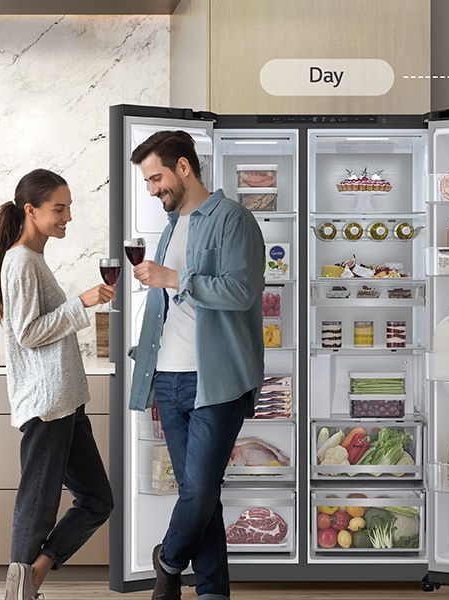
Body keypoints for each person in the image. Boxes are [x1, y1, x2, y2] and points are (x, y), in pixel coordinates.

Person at [127, 131, 265, 600]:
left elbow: (242, 292)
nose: (152, 190)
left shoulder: (234, 219)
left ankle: (167, 560)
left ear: (184, 167)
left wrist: (173, 277)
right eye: (147, 183)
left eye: (157, 178)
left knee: (200, 492)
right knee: (200, 496)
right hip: (168, 378)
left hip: (215, 379)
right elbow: (168, 309)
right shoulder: (170, 228)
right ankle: (211, 592)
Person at [0, 168, 116, 600]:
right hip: (46, 403)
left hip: (66, 401)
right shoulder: (20, 259)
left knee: (97, 500)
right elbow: (27, 332)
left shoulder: (34, 259)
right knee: (37, 504)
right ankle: (18, 592)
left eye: (69, 208)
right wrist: (82, 303)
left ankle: (33, 575)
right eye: (59, 209)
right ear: (31, 210)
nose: (67, 217)